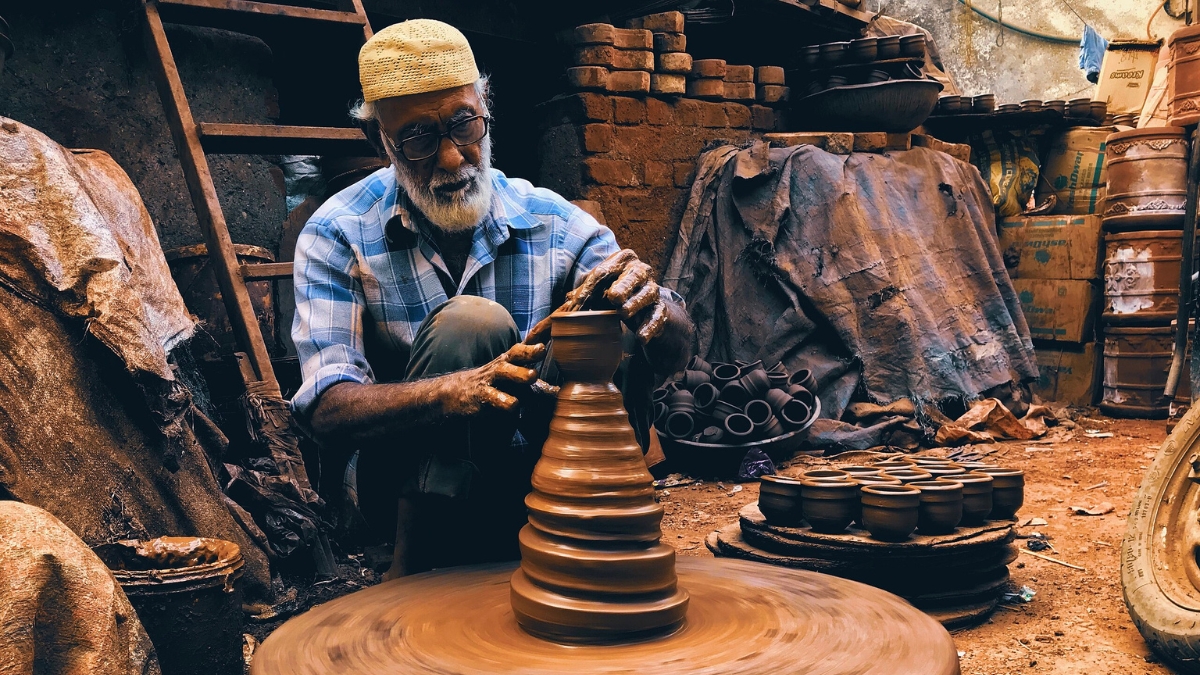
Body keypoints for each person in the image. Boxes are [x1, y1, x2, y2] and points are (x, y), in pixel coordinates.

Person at [290, 19, 693, 577]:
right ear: (377, 140)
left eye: (463, 125)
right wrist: (451, 392)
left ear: (486, 111)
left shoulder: (551, 218)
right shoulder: (337, 232)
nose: (453, 159)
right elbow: (324, 408)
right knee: (470, 325)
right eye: (419, 139)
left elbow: (673, 350)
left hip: (551, 486)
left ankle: (601, 542)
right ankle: (417, 574)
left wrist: (656, 310)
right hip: (412, 500)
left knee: (612, 327)